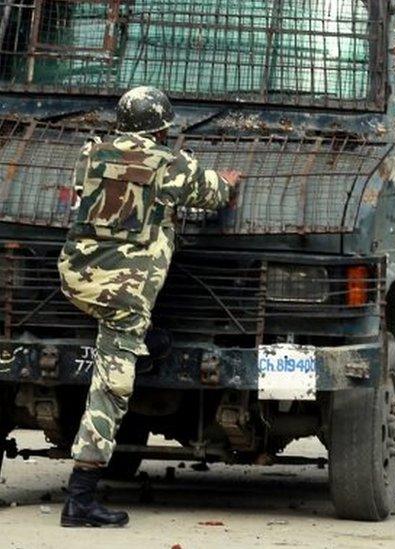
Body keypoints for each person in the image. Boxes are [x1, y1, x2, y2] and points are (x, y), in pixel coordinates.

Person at [58, 86, 240, 527]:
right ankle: (80, 498)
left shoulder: (90, 153)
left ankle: (145, 339)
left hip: (76, 278)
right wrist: (230, 181)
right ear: (161, 128)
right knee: (112, 389)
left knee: (127, 334)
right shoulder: (168, 163)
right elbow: (215, 193)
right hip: (123, 295)